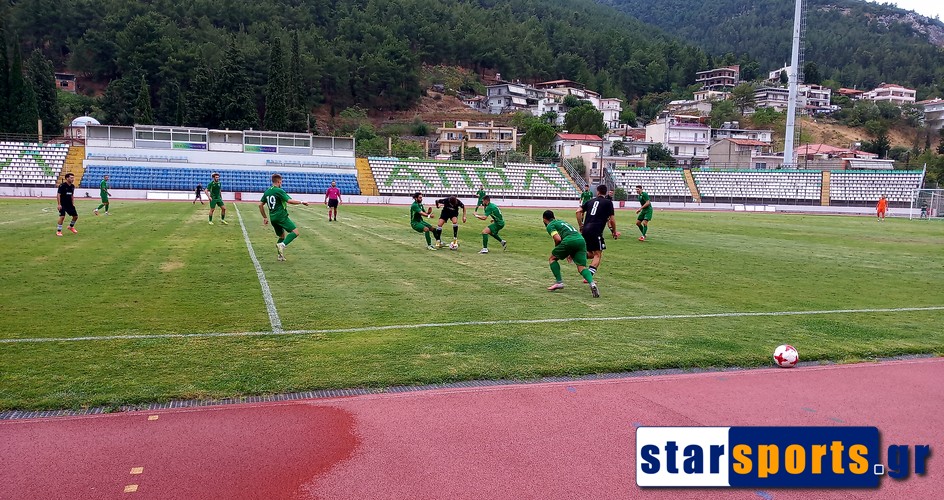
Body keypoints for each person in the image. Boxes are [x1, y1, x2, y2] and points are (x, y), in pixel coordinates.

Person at [543, 210, 599, 298]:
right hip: (580, 240)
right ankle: (592, 284)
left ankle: (559, 282)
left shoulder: (550, 225)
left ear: (544, 219)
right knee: (581, 267)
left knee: (552, 259)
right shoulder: (561, 222)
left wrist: (559, 250)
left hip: (569, 241)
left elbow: (557, 239)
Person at [259, 174, 309, 261]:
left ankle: (280, 256)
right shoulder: (279, 191)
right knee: (295, 232)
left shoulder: (267, 192)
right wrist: (301, 202)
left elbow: (260, 205)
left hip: (273, 218)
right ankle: (282, 245)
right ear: (278, 181)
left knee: (282, 236)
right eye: (281, 182)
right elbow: (289, 200)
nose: (281, 183)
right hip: (281, 216)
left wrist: (265, 217)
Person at [576, 184, 619, 282]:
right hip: (596, 230)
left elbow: (578, 211)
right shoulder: (608, 203)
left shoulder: (590, 201)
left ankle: (575, 255)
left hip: (586, 229)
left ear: (598, 192)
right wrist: (614, 232)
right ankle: (588, 276)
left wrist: (581, 225)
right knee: (597, 255)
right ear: (606, 192)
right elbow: (612, 220)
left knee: (590, 253)